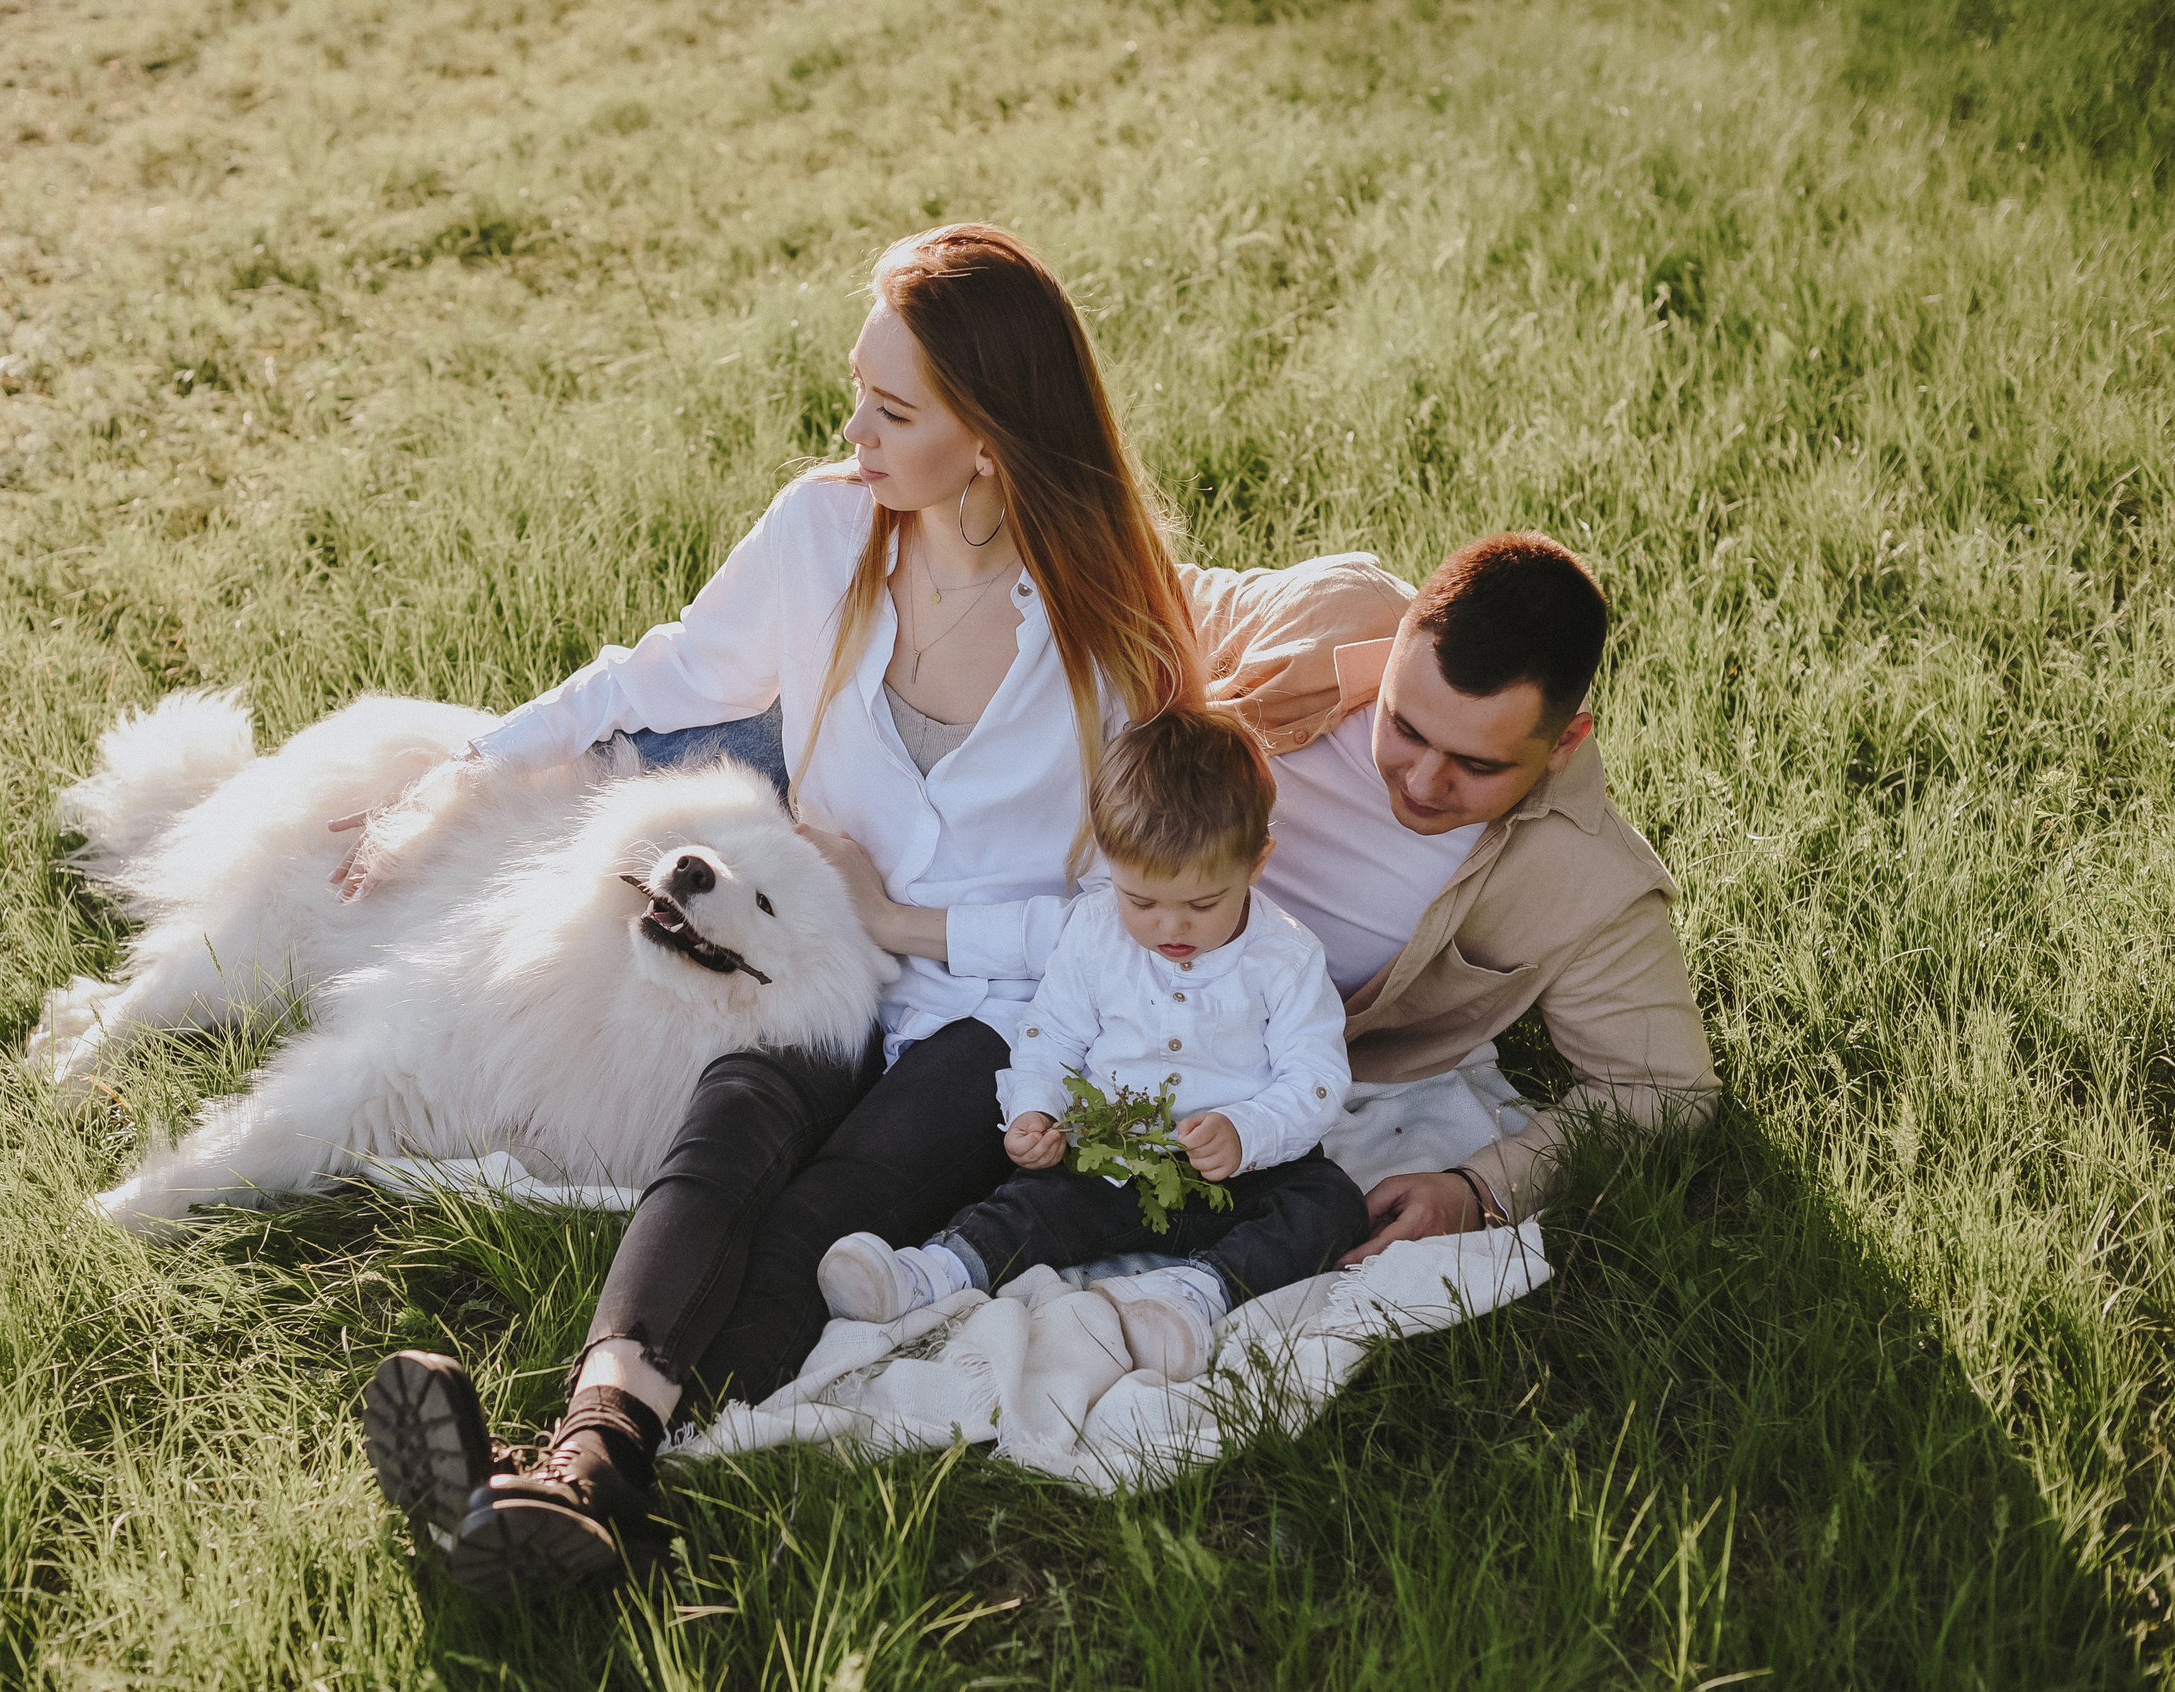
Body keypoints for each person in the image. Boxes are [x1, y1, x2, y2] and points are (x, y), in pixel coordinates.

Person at [344, 223, 1205, 1601]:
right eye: (856, 390)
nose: (852, 429)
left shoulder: (1116, 633)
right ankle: (585, 1464)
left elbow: (1138, 916)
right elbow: (664, 669)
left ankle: (570, 1469)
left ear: (988, 440)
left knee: (837, 1194)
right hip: (826, 952)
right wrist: (461, 769)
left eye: (893, 409)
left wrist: (913, 921)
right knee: (730, 1123)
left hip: (1000, 1011)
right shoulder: (823, 529)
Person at [1184, 533, 1721, 1258]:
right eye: (1405, 726)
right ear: (1398, 639)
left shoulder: (1591, 881)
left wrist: (1477, 1189)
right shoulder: (1341, 610)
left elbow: (1666, 1088)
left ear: (1564, 743)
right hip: (1063, 926)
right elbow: (1134, 596)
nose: (1422, 781)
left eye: (1476, 765)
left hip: (1225, 1062)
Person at [815, 703, 1368, 1382]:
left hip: (1247, 1171)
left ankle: (1196, 1295)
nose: (1171, 925)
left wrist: (1246, 1130)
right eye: (1143, 901)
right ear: (1111, 864)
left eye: (1201, 904)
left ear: (1257, 862)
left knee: (1330, 1203)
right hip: (1116, 1157)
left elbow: (1315, 1075)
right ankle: (932, 1271)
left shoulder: (1285, 958)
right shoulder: (1095, 933)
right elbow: (1051, 1036)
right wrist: (1034, 1110)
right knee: (1036, 1198)